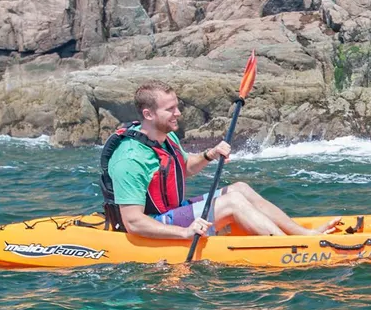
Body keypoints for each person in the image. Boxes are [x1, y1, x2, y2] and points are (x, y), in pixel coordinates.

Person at [101, 81, 339, 240]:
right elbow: (132, 222)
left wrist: (209, 155)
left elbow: (182, 168)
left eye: (177, 107)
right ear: (148, 114)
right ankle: (284, 246)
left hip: (173, 210)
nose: (178, 114)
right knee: (232, 202)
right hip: (155, 222)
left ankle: (302, 236)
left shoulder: (167, 137)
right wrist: (184, 233)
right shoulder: (129, 159)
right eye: (170, 109)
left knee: (240, 189)